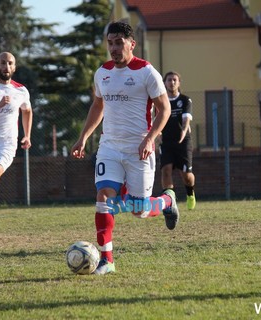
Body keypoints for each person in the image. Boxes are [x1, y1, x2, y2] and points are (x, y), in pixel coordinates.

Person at [71, 21, 180, 275]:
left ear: (132, 44)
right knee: (103, 198)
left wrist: (150, 138)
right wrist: (83, 137)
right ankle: (107, 260)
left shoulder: (146, 72)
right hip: (109, 146)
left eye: (119, 43)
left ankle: (167, 201)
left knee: (139, 210)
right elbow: (98, 106)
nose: (114, 48)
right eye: (110, 43)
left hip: (139, 148)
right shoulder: (102, 73)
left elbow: (164, 110)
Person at [0, 52, 33, 223]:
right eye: (3, 63)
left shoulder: (21, 90)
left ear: (14, 67)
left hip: (5, 146)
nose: (6, 66)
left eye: (10, 63)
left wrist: (27, 135)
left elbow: (27, 110)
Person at [159, 71, 196, 210]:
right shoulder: (160, 101)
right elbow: (155, 118)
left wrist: (183, 132)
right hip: (166, 142)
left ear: (179, 83)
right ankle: (170, 201)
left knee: (186, 176)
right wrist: (157, 135)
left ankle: (190, 193)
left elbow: (186, 120)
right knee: (166, 170)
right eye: (169, 80)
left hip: (183, 142)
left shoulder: (185, 100)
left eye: (175, 80)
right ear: (164, 83)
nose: (172, 82)